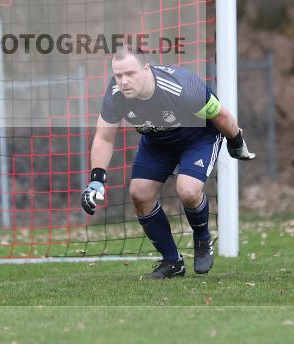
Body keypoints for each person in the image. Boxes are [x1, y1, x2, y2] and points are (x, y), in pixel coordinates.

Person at [81, 48, 255, 279]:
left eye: (130, 74)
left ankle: (202, 238)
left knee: (188, 190)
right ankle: (172, 262)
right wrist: (96, 181)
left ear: (146, 69)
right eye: (118, 75)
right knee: (139, 194)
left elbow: (221, 115)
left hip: (198, 139)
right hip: (157, 143)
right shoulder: (115, 95)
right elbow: (104, 137)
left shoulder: (182, 87)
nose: (123, 81)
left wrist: (236, 142)